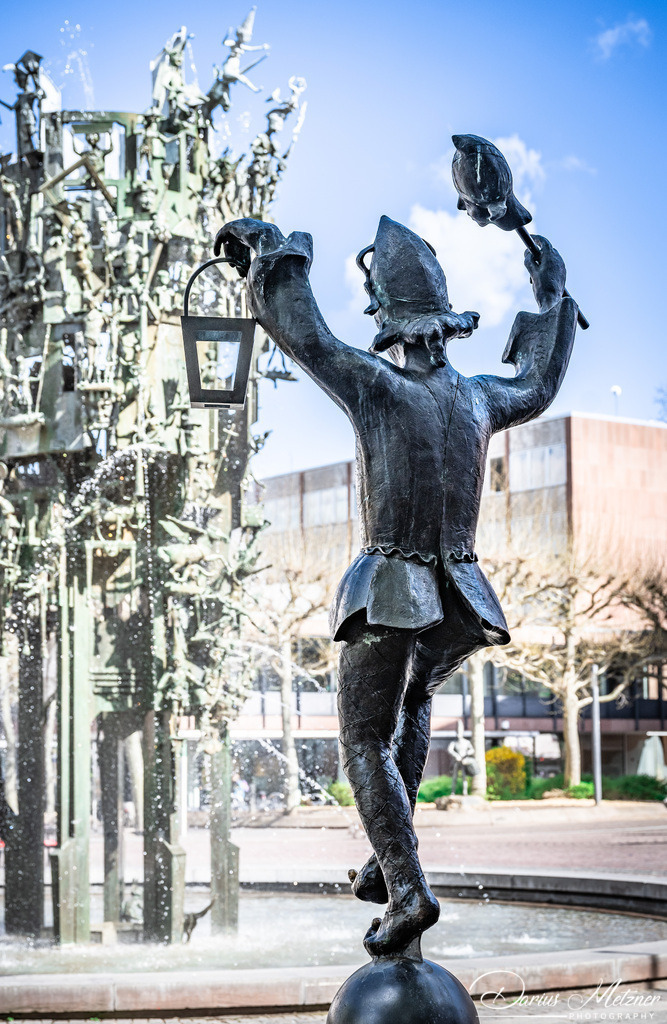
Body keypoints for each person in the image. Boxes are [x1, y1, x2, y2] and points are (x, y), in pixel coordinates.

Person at [214, 214, 576, 956]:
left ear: (389, 321)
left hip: (393, 583)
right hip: (459, 594)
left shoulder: (376, 386)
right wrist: (551, 298)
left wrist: (272, 254)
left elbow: (305, 336)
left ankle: (408, 891)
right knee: (412, 706)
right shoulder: (477, 398)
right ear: (441, 321)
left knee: (363, 738)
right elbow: (536, 385)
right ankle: (389, 862)